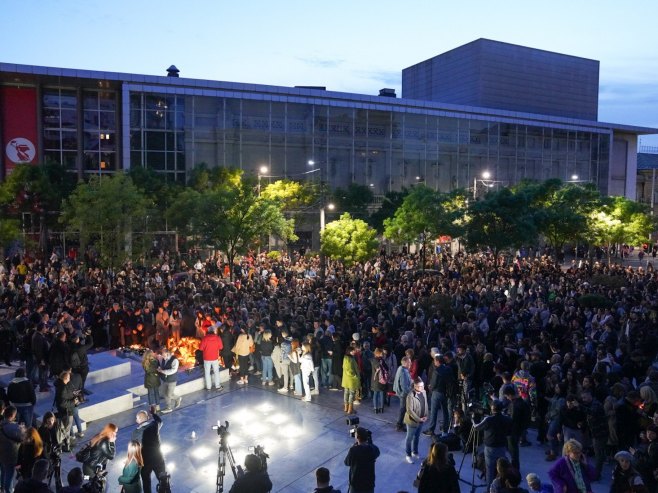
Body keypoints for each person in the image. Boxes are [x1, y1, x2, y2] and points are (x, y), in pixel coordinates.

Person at [472, 399, 512, 487]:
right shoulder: (507, 419)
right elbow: (509, 432)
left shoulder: (488, 419)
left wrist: (473, 419)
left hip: (490, 448)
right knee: (502, 468)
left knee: (489, 469)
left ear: (492, 409)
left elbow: (476, 428)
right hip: (502, 447)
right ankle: (502, 486)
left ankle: (490, 489)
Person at [132, 408, 165, 493]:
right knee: (163, 479)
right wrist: (153, 413)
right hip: (158, 458)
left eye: (136, 418)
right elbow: (160, 421)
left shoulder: (136, 433)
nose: (136, 420)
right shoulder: (154, 425)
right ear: (147, 418)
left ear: (139, 419)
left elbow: (134, 449)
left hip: (145, 461)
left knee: (146, 482)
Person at [344, 427, 380, 493]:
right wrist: (370, 443)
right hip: (369, 484)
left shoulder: (353, 450)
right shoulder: (372, 449)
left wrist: (353, 447)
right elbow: (377, 453)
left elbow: (347, 462)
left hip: (356, 485)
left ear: (357, 437)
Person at [0, 405, 26, 493]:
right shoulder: (15, 428)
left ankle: (2, 488)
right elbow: (24, 438)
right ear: (12, 416)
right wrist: (22, 428)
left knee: (3, 471)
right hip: (11, 456)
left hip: (2, 454)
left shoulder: (1, 424)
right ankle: (9, 490)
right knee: (9, 475)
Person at [404, 377, 429, 464]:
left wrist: (426, 415)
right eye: (420, 386)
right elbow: (409, 410)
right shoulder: (410, 396)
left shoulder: (424, 392)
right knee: (409, 438)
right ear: (415, 386)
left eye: (423, 386)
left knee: (417, 437)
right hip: (412, 421)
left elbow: (425, 404)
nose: (422, 388)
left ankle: (415, 452)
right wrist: (419, 419)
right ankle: (408, 455)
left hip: (421, 420)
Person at [54, 370, 78, 452]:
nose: (70, 379)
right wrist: (73, 402)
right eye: (69, 377)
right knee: (66, 430)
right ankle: (66, 446)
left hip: (64, 411)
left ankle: (65, 444)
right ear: (66, 378)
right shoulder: (63, 388)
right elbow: (63, 402)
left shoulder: (61, 385)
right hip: (66, 412)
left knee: (65, 429)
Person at [157, 348, 182, 413]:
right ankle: (169, 407)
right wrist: (160, 369)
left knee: (169, 395)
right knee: (165, 394)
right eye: (162, 355)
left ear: (168, 354)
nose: (163, 357)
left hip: (172, 380)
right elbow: (162, 367)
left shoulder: (175, 360)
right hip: (165, 380)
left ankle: (176, 399)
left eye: (164, 355)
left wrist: (163, 371)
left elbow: (173, 370)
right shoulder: (163, 359)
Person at [199, 326, 224, 391]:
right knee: (216, 372)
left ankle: (208, 387)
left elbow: (201, 348)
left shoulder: (204, 338)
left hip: (206, 358)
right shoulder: (217, 338)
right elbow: (221, 347)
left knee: (207, 372)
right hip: (215, 358)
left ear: (208, 331)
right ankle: (218, 386)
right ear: (214, 331)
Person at [393, 356, 412, 432]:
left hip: (403, 393)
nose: (410, 363)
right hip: (404, 394)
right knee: (403, 409)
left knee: (403, 409)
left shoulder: (401, 368)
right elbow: (404, 386)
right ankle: (399, 425)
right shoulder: (403, 371)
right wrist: (410, 393)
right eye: (409, 362)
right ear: (405, 362)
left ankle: (400, 424)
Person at [342, 344, 361, 415]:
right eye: (352, 351)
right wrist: (355, 375)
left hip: (346, 379)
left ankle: (346, 407)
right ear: (349, 351)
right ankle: (350, 409)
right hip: (351, 379)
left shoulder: (346, 358)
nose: (354, 352)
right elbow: (349, 370)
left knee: (346, 392)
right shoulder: (349, 359)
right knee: (351, 393)